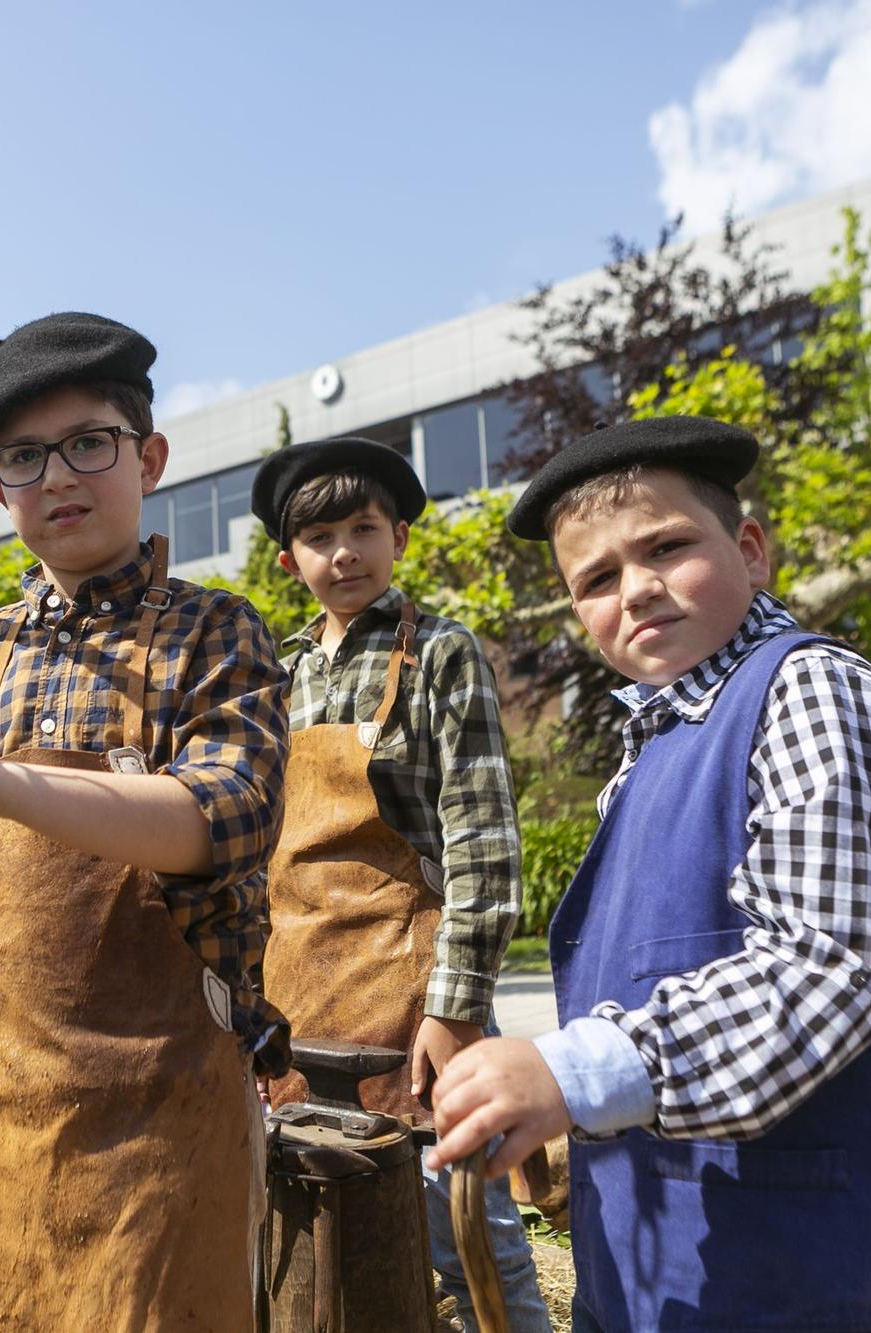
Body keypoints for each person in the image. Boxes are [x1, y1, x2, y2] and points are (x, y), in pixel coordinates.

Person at [424, 416, 871, 1333]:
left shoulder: (814, 692)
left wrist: (572, 1073)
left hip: (830, 1273)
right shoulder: (648, 745)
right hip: (666, 1280)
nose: (637, 590)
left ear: (752, 549)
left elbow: (829, 964)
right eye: (596, 580)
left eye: (668, 546)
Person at [0, 312, 288, 1330]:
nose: (58, 477)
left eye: (90, 442)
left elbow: (226, 817)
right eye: (24, 459)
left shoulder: (214, 631)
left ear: (149, 457)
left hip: (159, 1121)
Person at [249, 436, 547, 1332]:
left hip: (421, 990)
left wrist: (454, 1012)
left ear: (401, 539)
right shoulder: (279, 675)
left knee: (469, 1232)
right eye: (321, 536)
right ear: (288, 558)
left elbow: (484, 848)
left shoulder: (442, 656)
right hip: (304, 996)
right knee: (313, 1232)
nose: (344, 552)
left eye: (364, 528)